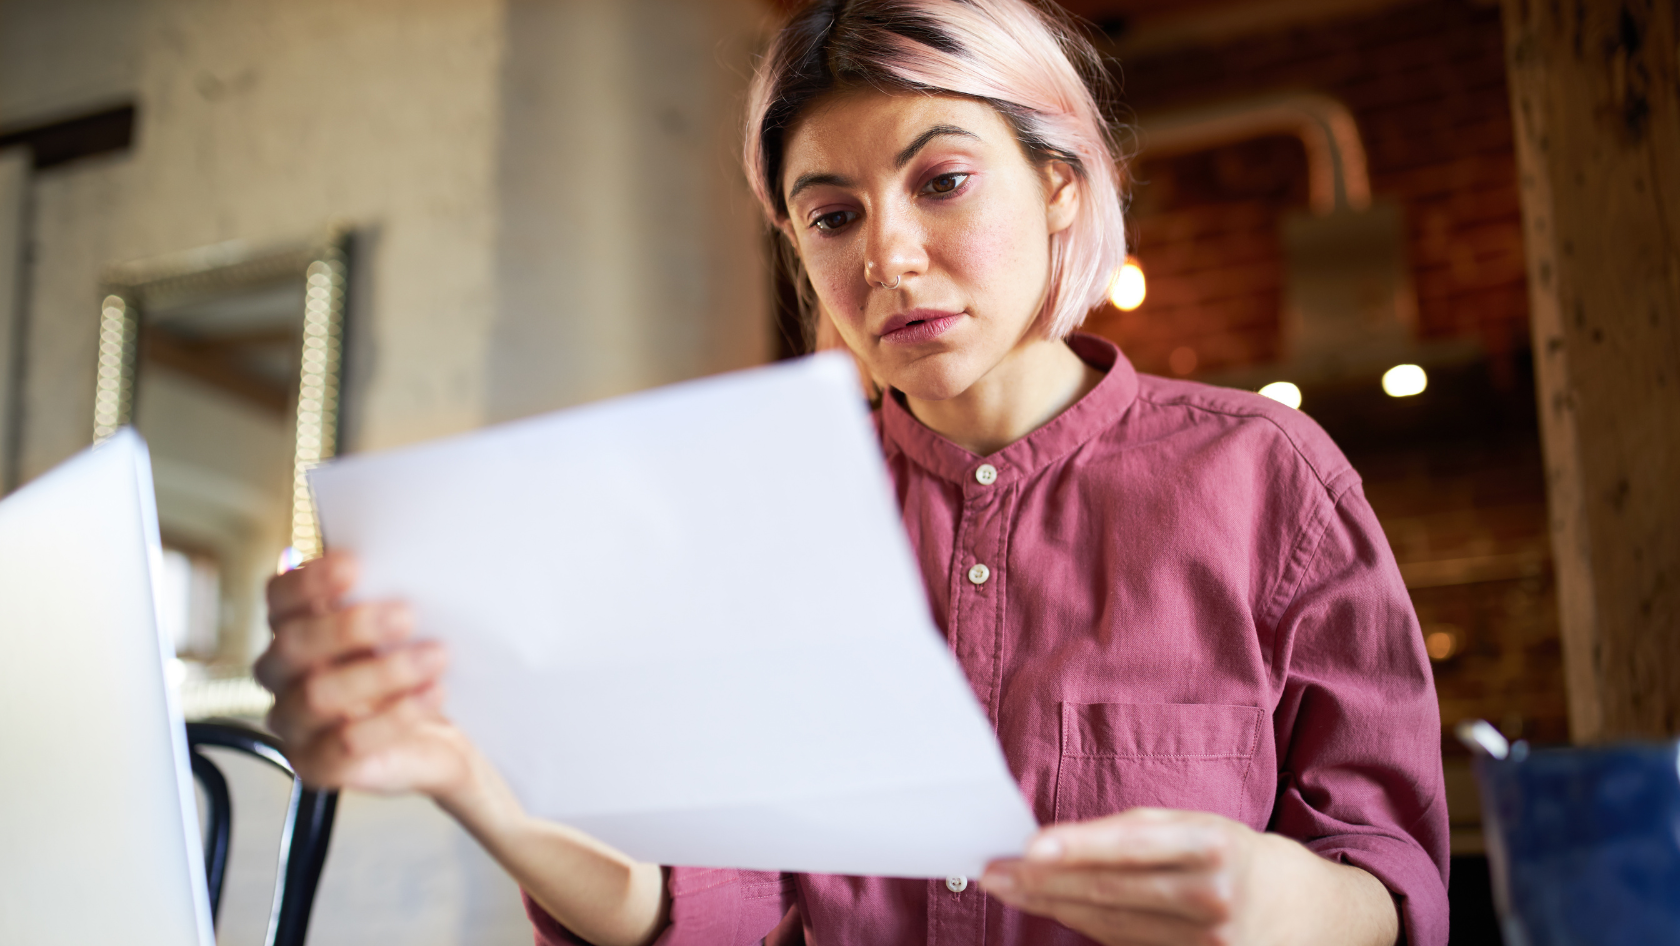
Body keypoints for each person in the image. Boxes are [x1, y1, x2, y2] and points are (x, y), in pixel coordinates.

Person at [255, 1, 1449, 944]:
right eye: (831, 215)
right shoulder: (766, 525)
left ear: (1060, 184)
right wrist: (471, 781)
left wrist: (1284, 904)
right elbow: (710, 903)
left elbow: (1391, 881)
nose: (887, 253)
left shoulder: (1268, 478)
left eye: (940, 181)